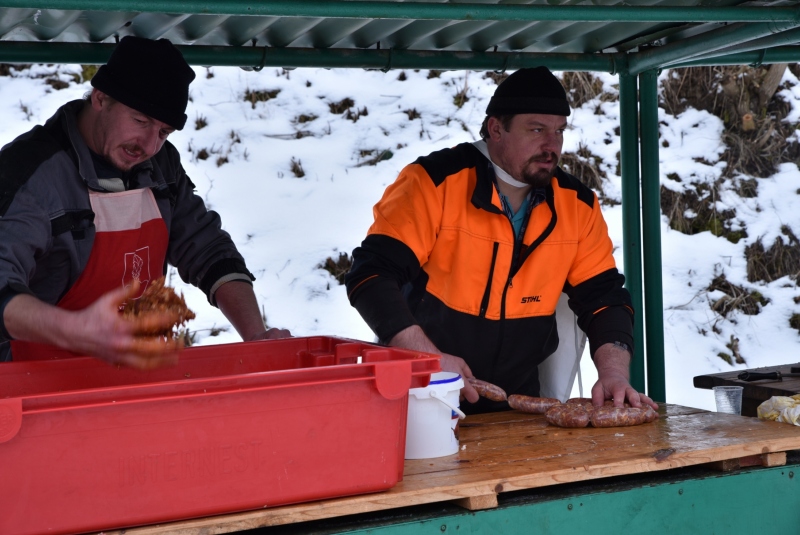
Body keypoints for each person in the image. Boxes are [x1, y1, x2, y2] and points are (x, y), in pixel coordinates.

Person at [345, 67, 657, 414]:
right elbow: (371, 276)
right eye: (536, 129)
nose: (551, 145)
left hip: (519, 408)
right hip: (424, 395)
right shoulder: (433, 182)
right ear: (496, 128)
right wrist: (429, 359)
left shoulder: (577, 205)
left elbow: (605, 300)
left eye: (559, 132)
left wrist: (613, 373)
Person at [0, 36, 289, 369]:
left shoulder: (161, 165)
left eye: (164, 131)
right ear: (100, 98)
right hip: (32, 386)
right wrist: (72, 330)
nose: (150, 145)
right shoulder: (32, 171)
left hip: (136, 376)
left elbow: (207, 249)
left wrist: (256, 336)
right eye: (140, 121)